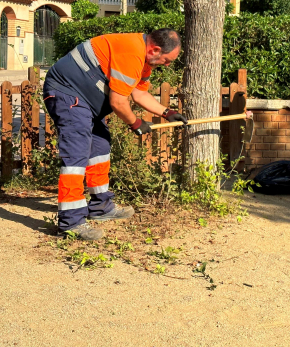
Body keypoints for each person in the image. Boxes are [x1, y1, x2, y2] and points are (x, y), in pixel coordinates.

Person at [43, 29, 187, 240]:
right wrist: (135, 123)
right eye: (166, 60)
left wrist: (166, 112)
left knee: (99, 147)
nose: (166, 65)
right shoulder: (132, 52)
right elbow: (118, 102)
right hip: (67, 93)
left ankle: (100, 206)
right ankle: (71, 222)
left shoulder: (145, 60)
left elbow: (139, 93)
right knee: (76, 155)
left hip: (86, 101)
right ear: (155, 49)